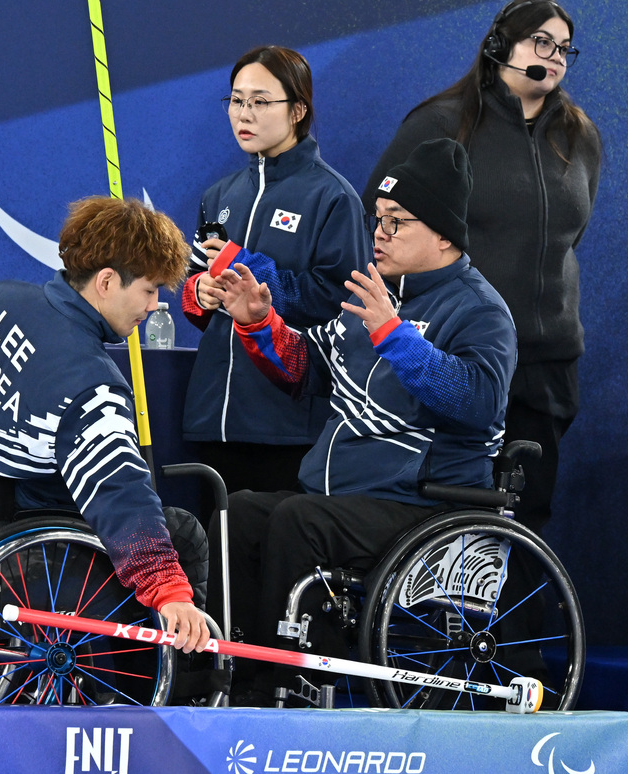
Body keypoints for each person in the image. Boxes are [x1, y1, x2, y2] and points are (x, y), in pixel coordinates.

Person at [209, 139, 517, 702]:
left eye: (397, 222)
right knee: (240, 514)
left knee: (298, 521)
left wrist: (394, 337)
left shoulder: (479, 310)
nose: (380, 233)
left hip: (423, 503)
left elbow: (478, 401)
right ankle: (232, 678)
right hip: (343, 498)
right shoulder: (372, 295)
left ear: (444, 235)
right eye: (378, 219)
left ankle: (295, 686)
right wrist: (259, 323)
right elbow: (305, 369)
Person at [0, 196, 210, 653]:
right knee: (184, 531)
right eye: (150, 290)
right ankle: (185, 675)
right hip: (43, 545)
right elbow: (119, 493)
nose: (154, 305)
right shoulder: (93, 385)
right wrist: (166, 587)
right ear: (107, 281)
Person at [362, 0, 601, 535]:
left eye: (565, 49)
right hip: (458, 354)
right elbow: (378, 218)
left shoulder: (578, 136)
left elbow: (570, 236)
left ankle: (511, 598)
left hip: (545, 368)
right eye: (542, 42)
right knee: (448, 522)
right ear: (499, 46)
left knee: (525, 521)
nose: (555, 57)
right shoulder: (442, 122)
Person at [182, 45, 371, 520]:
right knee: (212, 556)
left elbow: (341, 303)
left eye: (260, 101)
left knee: (270, 554)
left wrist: (250, 270)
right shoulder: (219, 195)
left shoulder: (333, 197)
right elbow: (194, 288)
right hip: (211, 420)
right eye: (236, 100)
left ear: (298, 110)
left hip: (287, 424)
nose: (243, 114)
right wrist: (200, 293)